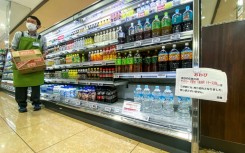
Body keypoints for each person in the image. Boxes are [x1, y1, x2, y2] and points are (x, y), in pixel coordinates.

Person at [11, 16, 47, 113]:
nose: (29, 23)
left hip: (36, 65)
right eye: (28, 21)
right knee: (20, 86)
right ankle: (22, 105)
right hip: (21, 65)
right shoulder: (19, 34)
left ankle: (36, 103)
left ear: (38, 26)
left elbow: (45, 51)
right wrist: (15, 57)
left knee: (36, 86)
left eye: (32, 22)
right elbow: (13, 48)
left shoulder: (42, 38)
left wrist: (42, 57)